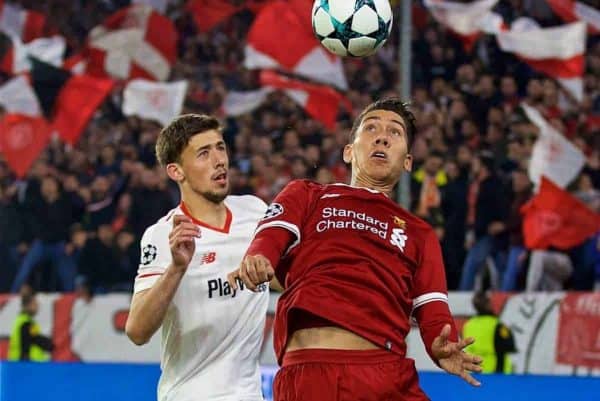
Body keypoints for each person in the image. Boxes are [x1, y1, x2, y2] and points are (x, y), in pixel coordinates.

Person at [229, 98, 482, 401]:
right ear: (349, 152)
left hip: (388, 376)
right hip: (315, 373)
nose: (383, 136)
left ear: (407, 161)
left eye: (395, 133)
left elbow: (433, 308)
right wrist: (258, 258)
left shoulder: (419, 233)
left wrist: (443, 344)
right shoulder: (309, 195)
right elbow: (270, 235)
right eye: (371, 127)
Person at [125, 114, 269, 401]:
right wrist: (177, 268)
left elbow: (281, 276)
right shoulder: (164, 235)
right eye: (204, 153)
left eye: (220, 147)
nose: (220, 161)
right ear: (176, 171)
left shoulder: (254, 212)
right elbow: (137, 331)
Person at [462, 292, 516, 373]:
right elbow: (510, 346)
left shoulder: (468, 325)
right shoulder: (496, 325)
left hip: (474, 370)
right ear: (488, 304)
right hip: (495, 370)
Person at [8, 291, 54, 361]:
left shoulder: (22, 321)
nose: (38, 306)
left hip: (20, 365)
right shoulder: (26, 323)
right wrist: (49, 344)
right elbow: (35, 339)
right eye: (35, 304)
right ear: (28, 305)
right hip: (27, 366)